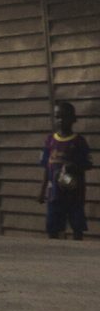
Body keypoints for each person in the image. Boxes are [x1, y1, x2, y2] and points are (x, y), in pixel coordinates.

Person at [39, 100, 91, 240]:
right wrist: (42, 190)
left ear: (73, 119)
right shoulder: (50, 141)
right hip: (54, 193)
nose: (60, 120)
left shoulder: (78, 141)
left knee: (77, 225)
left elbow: (87, 164)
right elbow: (46, 167)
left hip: (74, 193)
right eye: (57, 117)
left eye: (64, 117)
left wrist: (73, 167)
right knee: (53, 226)